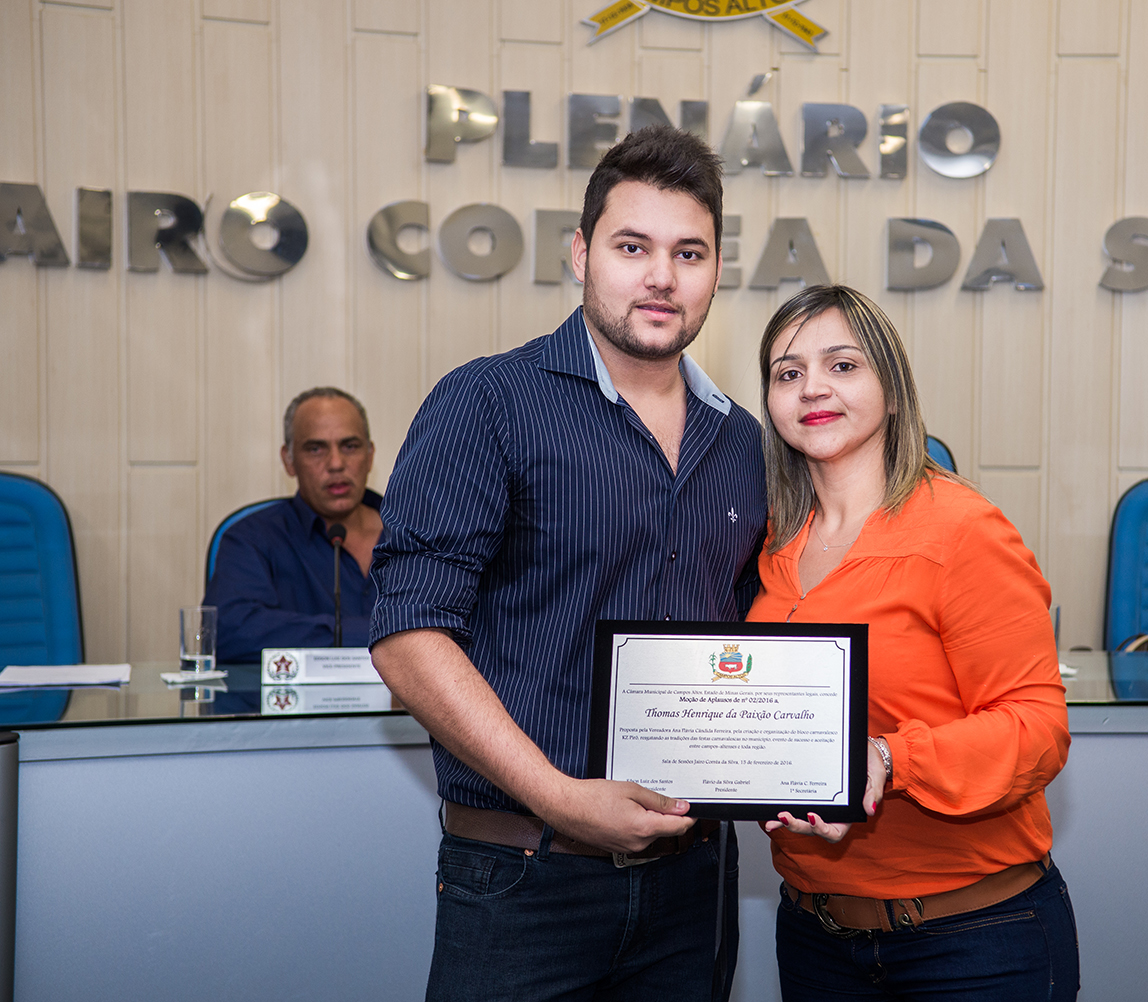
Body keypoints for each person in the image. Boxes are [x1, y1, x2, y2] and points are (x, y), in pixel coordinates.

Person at [368, 125, 766, 1002]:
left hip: (694, 881)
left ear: (715, 271)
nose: (661, 276)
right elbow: (407, 635)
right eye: (632, 247)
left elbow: (752, 640)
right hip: (524, 877)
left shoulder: (742, 441)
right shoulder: (487, 402)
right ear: (582, 254)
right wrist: (557, 795)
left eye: (688, 253)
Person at [746, 285, 1079, 1001]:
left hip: (970, 943)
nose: (812, 389)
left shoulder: (963, 530)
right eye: (787, 373)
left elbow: (1038, 729)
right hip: (814, 937)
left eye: (842, 365)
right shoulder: (769, 541)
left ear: (892, 392)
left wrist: (889, 758)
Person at [204, 387, 383, 663]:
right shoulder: (252, 538)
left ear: (370, 455)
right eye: (315, 449)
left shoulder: (419, 534)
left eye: (350, 446)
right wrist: (385, 634)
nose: (336, 463)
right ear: (289, 460)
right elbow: (231, 631)